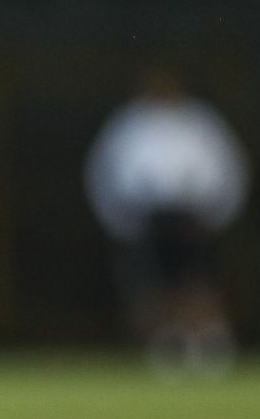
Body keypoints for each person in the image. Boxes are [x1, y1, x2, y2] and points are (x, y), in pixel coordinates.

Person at [85, 70, 249, 373]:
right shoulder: (129, 125)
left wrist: (219, 214)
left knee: (198, 283)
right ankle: (164, 345)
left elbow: (229, 168)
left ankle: (207, 343)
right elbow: (104, 174)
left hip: (194, 216)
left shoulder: (200, 122)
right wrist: (120, 222)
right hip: (149, 218)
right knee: (154, 286)